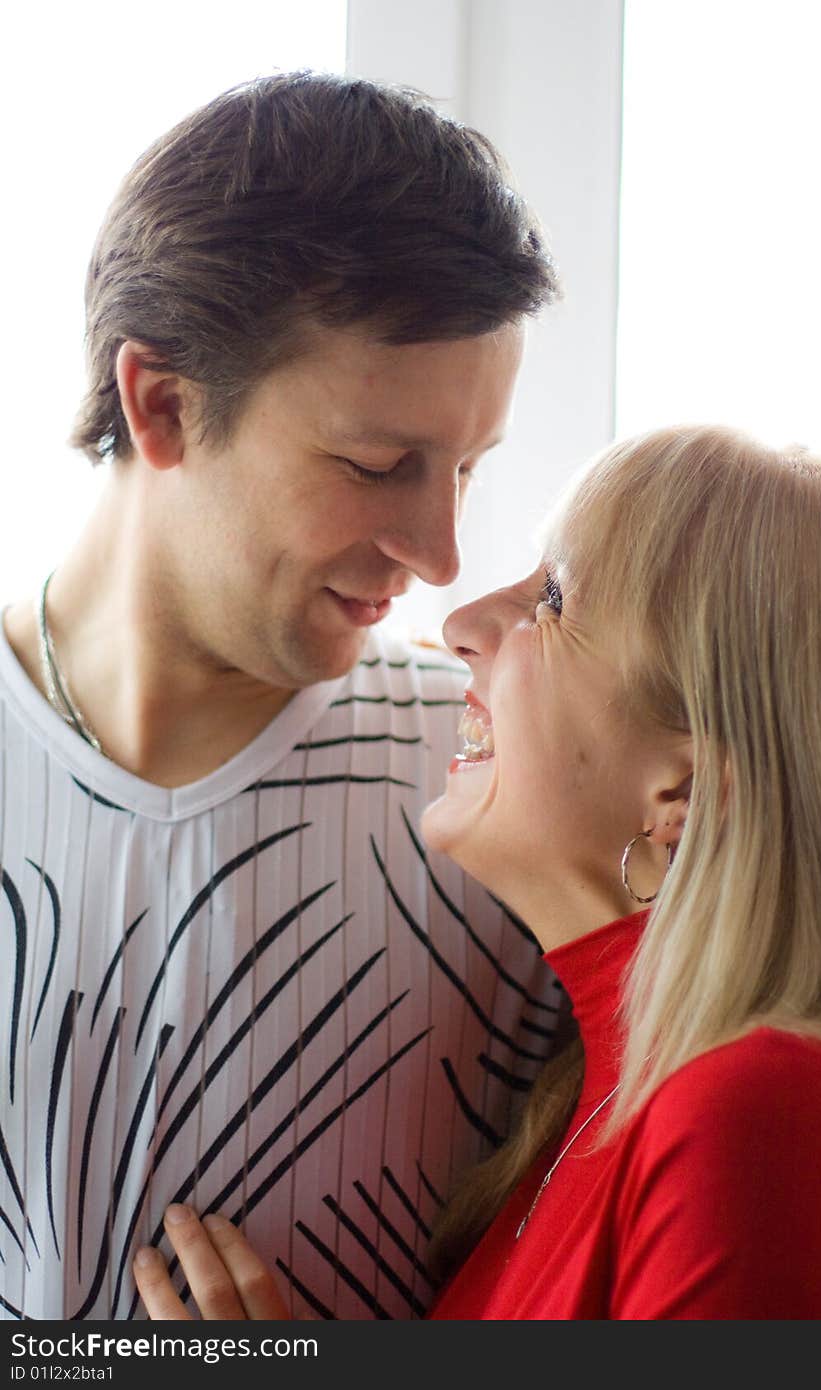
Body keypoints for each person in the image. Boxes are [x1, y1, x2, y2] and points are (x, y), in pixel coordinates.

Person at [0, 71, 563, 1322]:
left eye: (468, 467)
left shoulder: (496, 787)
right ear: (161, 404)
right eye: (378, 464)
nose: (442, 554)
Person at [133, 424, 821, 1319]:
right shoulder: (601, 1093)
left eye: (554, 598)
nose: (460, 624)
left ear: (682, 788)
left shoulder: (760, 1116)